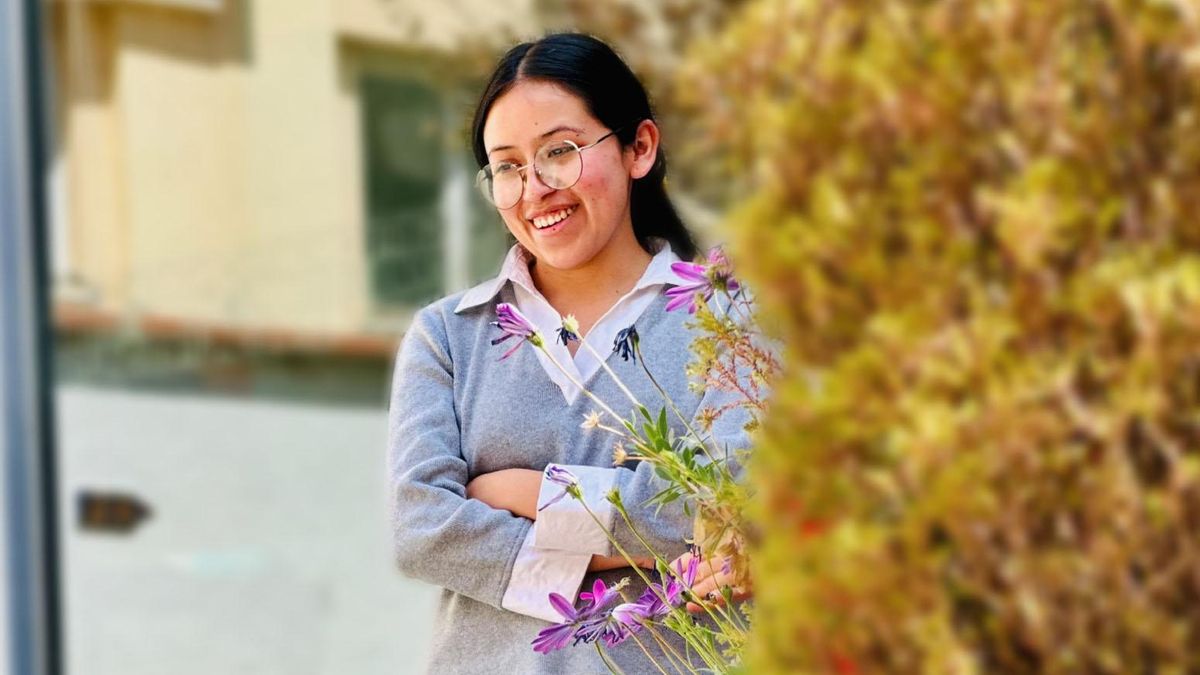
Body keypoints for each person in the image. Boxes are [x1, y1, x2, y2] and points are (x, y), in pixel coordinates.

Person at [386, 33, 750, 674]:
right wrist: (645, 547)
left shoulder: (726, 322)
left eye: (561, 152)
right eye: (507, 167)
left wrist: (527, 491)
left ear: (640, 148)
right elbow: (423, 531)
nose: (535, 189)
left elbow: (733, 505)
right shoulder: (448, 337)